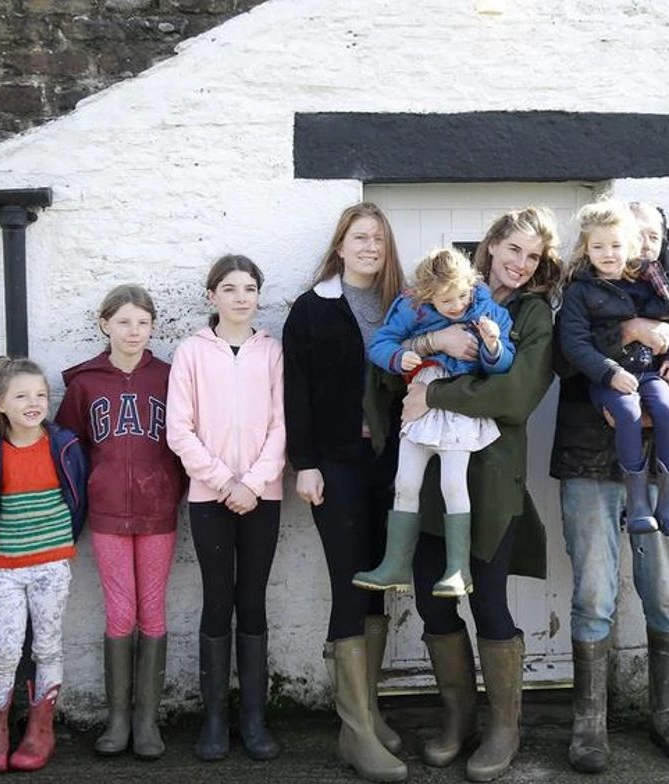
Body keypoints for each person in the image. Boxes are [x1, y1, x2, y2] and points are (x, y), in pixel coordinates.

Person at [400, 206, 561, 782]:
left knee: (488, 603)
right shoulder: (445, 290)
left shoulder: (536, 314)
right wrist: (431, 339)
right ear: (491, 245)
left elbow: (516, 395)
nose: (520, 264)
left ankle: (504, 727)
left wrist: (438, 393)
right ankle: (458, 718)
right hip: (430, 483)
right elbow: (399, 356)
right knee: (431, 599)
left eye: (532, 256)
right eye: (512, 249)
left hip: (493, 482)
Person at [552, 202, 669, 772]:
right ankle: (589, 727)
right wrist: (624, 333)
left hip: (659, 472)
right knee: (594, 596)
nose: (641, 242)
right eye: (632, 232)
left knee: (665, 593)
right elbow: (564, 361)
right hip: (589, 465)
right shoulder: (581, 293)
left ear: (661, 240)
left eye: (652, 233)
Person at [283, 202, 409, 782]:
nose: (369, 248)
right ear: (339, 245)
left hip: (390, 463)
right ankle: (356, 735)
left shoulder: (400, 304)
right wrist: (303, 464)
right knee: (348, 583)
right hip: (335, 464)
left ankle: (369, 712)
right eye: (360, 238)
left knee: (379, 583)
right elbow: (297, 394)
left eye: (378, 240)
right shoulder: (311, 309)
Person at [54, 285, 184, 760]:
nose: (134, 331)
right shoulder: (85, 383)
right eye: (124, 322)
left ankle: (148, 721)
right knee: (119, 612)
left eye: (143, 322)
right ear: (104, 324)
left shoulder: (170, 377)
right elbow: (71, 449)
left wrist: (174, 488)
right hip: (107, 513)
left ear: (153, 327)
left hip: (158, 511)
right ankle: (118, 719)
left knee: (153, 610)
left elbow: (185, 439)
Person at [167, 254, 286, 762]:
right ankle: (214, 720)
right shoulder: (190, 352)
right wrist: (223, 482)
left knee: (253, 600)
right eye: (230, 289)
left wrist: (254, 483)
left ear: (259, 296)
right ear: (212, 296)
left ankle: (254, 720)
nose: (242, 297)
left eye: (250, 288)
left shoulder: (273, 352)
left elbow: (282, 425)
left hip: (263, 496)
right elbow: (179, 430)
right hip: (210, 498)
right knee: (218, 599)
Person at [353, 247, 515, 598]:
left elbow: (500, 366)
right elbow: (380, 344)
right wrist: (400, 356)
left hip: (456, 405)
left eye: (461, 295)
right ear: (428, 296)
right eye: (445, 301)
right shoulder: (413, 308)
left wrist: (492, 344)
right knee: (405, 481)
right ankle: (395, 564)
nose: (456, 306)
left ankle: (459, 569)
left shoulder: (487, 311)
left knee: (453, 484)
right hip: (420, 401)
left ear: (471, 285)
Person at [0, 357, 88, 774]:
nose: (34, 403)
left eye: (40, 395)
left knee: (47, 645)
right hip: (5, 567)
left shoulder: (64, 444)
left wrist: (60, 545)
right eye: (21, 396)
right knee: (3, 649)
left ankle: (41, 730)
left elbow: (77, 503)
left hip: (52, 564)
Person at [557, 201, 669, 538]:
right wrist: (610, 368)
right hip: (609, 383)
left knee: (668, 409)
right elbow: (571, 348)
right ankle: (638, 505)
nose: (608, 253)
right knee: (628, 412)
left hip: (647, 372)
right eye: (599, 246)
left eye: (617, 245)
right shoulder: (579, 291)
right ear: (586, 248)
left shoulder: (649, 283)